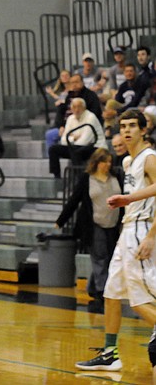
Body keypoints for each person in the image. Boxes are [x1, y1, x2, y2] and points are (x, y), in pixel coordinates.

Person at [76, 109, 156, 374]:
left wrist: (151, 237)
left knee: (138, 300)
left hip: (142, 230)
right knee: (110, 293)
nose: (127, 130)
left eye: (133, 125)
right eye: (123, 126)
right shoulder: (126, 162)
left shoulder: (149, 158)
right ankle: (110, 354)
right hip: (127, 231)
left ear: (144, 129)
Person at [54, 148, 121, 308]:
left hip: (113, 224)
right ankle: (102, 290)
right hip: (93, 224)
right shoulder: (87, 179)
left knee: (110, 257)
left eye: (110, 162)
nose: (108, 165)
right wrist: (60, 221)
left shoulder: (116, 177)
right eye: (105, 161)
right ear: (97, 162)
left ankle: (92, 286)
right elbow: (74, 200)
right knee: (100, 256)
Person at [48, 97, 106, 178]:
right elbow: (64, 140)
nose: (76, 109)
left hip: (96, 147)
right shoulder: (70, 118)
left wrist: (71, 139)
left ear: (84, 108)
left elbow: (84, 141)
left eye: (79, 107)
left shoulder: (90, 117)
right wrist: (74, 138)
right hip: (77, 147)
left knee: (75, 150)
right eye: (74, 107)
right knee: (53, 149)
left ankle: (79, 178)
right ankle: (56, 176)